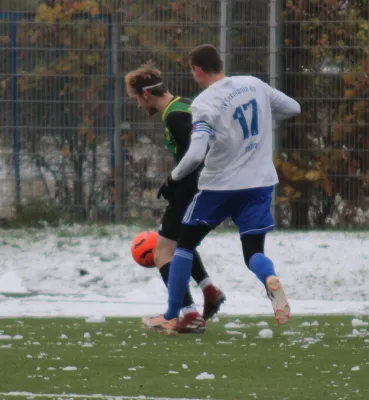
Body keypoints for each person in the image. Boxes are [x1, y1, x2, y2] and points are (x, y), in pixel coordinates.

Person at [142, 44, 301, 335]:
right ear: (221, 63)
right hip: (260, 184)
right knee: (253, 252)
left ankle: (171, 315)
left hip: (220, 187)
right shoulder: (254, 84)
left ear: (198, 70)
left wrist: (173, 179)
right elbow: (293, 108)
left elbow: (195, 155)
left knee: (183, 246)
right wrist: (262, 118)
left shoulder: (204, 103)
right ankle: (270, 279)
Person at [125, 62, 226, 333]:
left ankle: (189, 315)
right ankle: (209, 291)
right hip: (198, 190)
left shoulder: (175, 116)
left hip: (189, 192)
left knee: (163, 252)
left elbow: (198, 154)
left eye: (136, 98)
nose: (137, 105)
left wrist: (174, 183)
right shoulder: (183, 106)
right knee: (183, 245)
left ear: (146, 94)